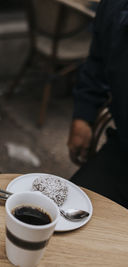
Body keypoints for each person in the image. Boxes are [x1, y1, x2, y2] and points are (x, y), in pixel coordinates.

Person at [67, 0, 128, 209]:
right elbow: (97, 64)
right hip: (123, 153)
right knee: (67, 212)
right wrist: (83, 115)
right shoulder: (114, 6)